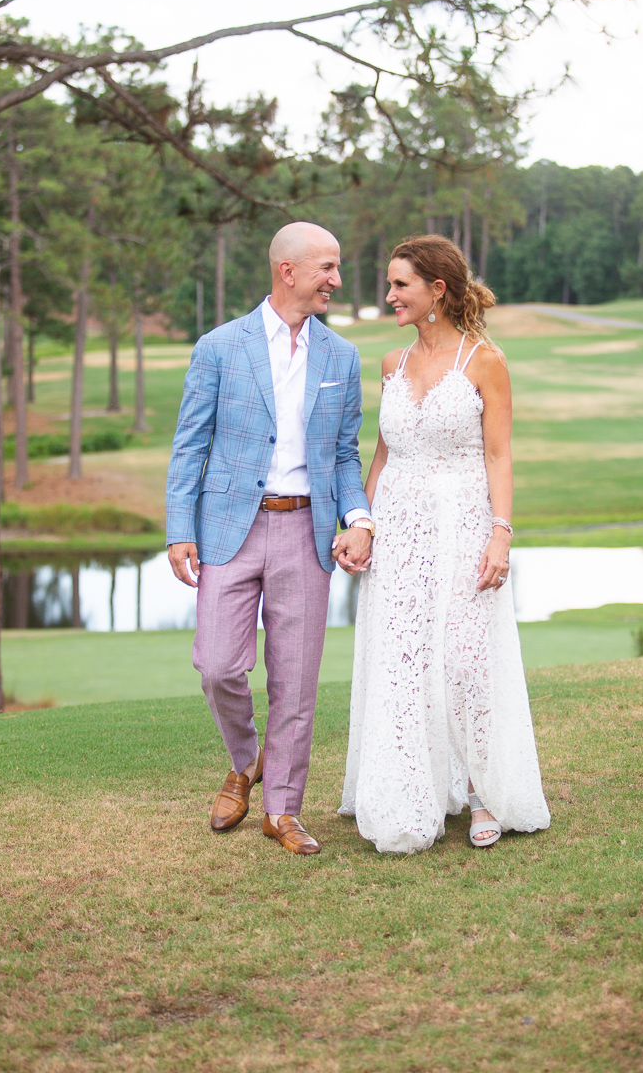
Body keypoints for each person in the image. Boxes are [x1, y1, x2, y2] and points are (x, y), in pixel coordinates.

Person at [338, 234, 550, 854]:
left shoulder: (484, 360)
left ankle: (484, 791)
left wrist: (501, 535)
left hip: (462, 520)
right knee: (401, 655)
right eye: (389, 282)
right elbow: (381, 452)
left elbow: (499, 454)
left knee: (464, 656)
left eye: (400, 283)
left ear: (438, 289)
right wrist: (363, 524)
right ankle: (408, 791)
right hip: (399, 525)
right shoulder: (391, 365)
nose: (389, 294)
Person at [166, 222, 373, 856]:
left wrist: (360, 518)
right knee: (218, 666)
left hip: (306, 531)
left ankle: (282, 810)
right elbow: (191, 444)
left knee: (297, 680)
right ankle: (245, 759)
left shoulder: (341, 356)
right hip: (229, 529)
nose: (336, 281)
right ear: (289, 271)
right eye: (327, 269)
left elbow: (344, 454)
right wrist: (180, 529)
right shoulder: (219, 347)